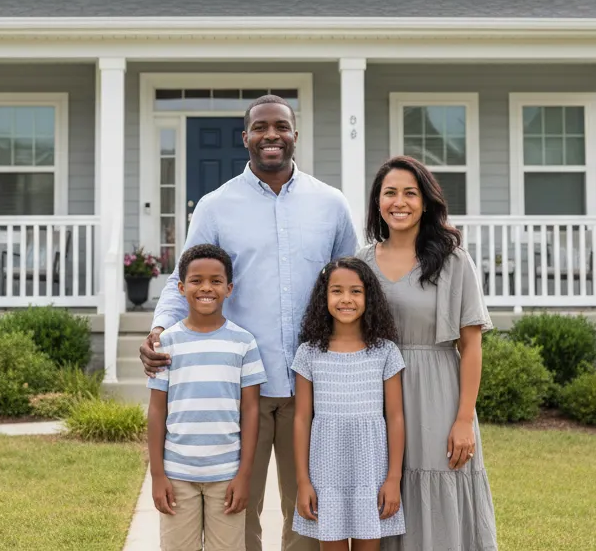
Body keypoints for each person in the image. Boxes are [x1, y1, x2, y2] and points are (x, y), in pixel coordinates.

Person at [141, 94, 358, 551]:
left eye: (281, 126)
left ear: (295, 135)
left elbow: (354, 286)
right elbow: (186, 278)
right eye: (260, 128)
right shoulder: (217, 207)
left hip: (312, 386)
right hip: (244, 393)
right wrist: (160, 330)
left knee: (308, 511)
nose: (271, 135)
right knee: (239, 512)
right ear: (246, 138)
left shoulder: (331, 204)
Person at [357, 155, 498, 551]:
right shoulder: (361, 262)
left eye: (409, 193)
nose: (399, 202)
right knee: (387, 486)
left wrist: (464, 419)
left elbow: (470, 344)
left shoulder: (453, 261)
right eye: (390, 193)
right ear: (377, 202)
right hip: (376, 394)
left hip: (437, 391)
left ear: (425, 202)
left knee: (437, 483)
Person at [147, 243, 266, 551]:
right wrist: (158, 475)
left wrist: (244, 475)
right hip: (177, 476)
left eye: (215, 281)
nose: (206, 288)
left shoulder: (243, 343)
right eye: (197, 280)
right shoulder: (167, 343)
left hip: (227, 476)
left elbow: (251, 411)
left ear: (229, 288)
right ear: (181, 287)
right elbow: (157, 411)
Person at [292, 257, 406, 551]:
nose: (346, 299)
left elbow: (395, 417)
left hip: (371, 472)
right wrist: (303, 482)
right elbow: (302, 419)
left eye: (356, 291)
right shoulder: (308, 353)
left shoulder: (385, 351)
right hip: (325, 474)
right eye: (337, 291)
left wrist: (393, 479)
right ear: (323, 297)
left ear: (369, 297)